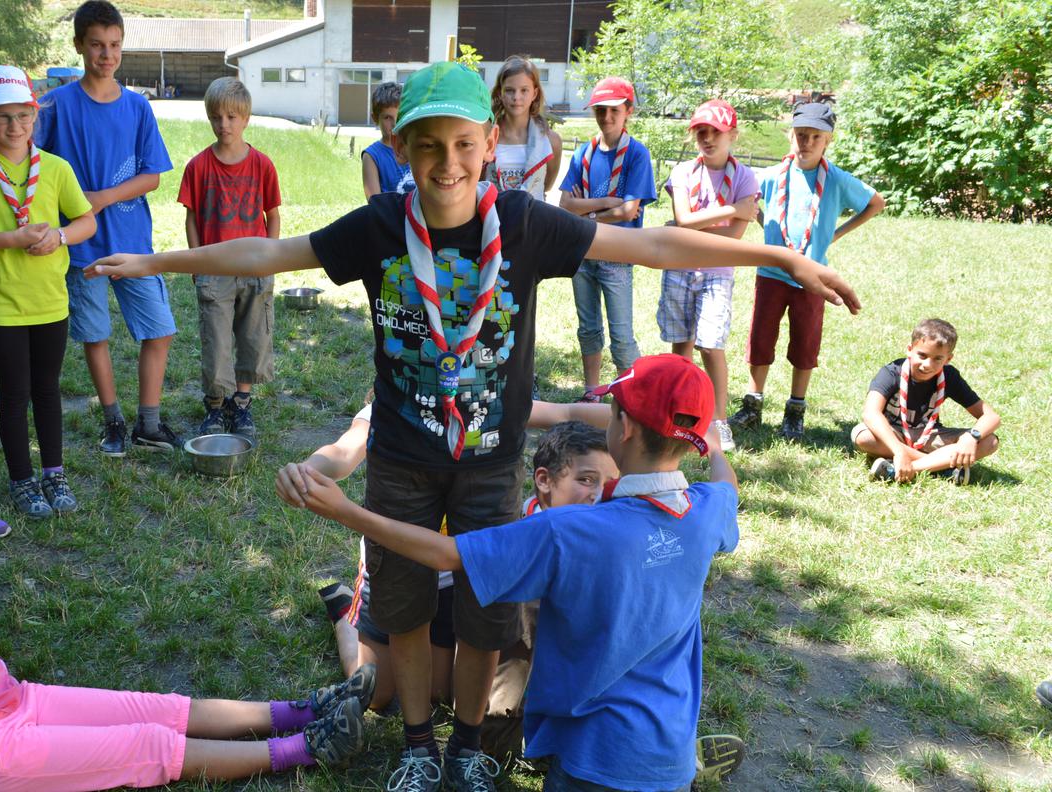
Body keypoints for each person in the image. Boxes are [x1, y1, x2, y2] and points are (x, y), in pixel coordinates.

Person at [85, 61, 857, 792]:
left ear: (491, 143)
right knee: (406, 608)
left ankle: (467, 745)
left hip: (491, 460)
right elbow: (271, 252)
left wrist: (780, 255)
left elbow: (652, 244)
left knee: (489, 609)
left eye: (463, 144)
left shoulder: (524, 223)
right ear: (400, 150)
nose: (447, 163)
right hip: (400, 456)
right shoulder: (382, 226)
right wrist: (154, 264)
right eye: (428, 146)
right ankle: (420, 744)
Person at [288, 354, 743, 791]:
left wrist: (346, 511)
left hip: (590, 761)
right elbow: (726, 485)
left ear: (621, 428)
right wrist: (716, 445)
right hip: (670, 762)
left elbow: (447, 554)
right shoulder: (708, 511)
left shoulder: (569, 529)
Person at [0, 447, 373, 791]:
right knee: (142, 746)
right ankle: (307, 749)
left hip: (9, 698)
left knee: (151, 708)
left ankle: (301, 710)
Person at [292, 401, 619, 720]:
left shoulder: (487, 400)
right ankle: (344, 614)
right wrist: (306, 472)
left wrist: (644, 423)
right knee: (376, 695)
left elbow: (568, 412)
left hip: (457, 575)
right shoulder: (393, 405)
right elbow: (344, 451)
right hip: (397, 564)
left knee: (443, 693)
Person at [0, 66, 97, 520]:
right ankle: (22, 480)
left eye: (23, 116)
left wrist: (62, 237)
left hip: (50, 300)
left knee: (47, 390)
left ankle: (54, 472)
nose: (14, 127)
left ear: (36, 114)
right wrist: (10, 239)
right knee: (14, 392)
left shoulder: (54, 168)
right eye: (3, 117)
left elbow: (86, 221)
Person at [36, 0, 182, 456]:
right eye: (96, 45)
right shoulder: (56, 106)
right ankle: (113, 419)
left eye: (114, 45)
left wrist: (100, 198)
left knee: (159, 331)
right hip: (80, 247)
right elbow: (31, 162)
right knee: (95, 335)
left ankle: (149, 422)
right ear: (79, 45)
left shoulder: (138, 108)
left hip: (133, 243)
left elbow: (153, 175)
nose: (106, 54)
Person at [729, 102, 886, 441]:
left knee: (805, 343)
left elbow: (876, 203)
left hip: (813, 278)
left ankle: (795, 408)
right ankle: (753, 403)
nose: (807, 143)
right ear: (791, 135)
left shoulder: (837, 180)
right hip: (772, 273)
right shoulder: (772, 177)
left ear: (827, 140)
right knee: (761, 338)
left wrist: (837, 233)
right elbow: (750, 201)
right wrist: (765, 226)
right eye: (801, 135)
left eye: (815, 137)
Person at [177, 77, 281, 437]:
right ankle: (216, 406)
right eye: (217, 117)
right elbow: (191, 216)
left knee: (254, 336)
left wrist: (272, 257)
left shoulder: (263, 165)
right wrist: (195, 260)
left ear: (246, 118)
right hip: (213, 271)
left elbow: (273, 214)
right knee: (217, 340)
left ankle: (242, 404)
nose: (225, 124)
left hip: (254, 267)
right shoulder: (198, 166)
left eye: (232, 117)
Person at [658, 99, 760, 452]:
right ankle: (681, 413)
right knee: (681, 343)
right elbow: (684, 220)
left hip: (717, 272)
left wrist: (688, 231)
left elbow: (732, 240)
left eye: (715, 131)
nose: (707, 138)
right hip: (681, 267)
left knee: (711, 344)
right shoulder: (684, 172)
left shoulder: (745, 177)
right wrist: (733, 209)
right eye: (701, 131)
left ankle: (718, 421)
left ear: (732, 134)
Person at [559, 76, 656, 394]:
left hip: (618, 255)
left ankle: (632, 396)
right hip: (583, 254)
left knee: (621, 333)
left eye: (614, 109)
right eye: (600, 109)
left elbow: (629, 211)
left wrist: (585, 214)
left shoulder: (636, 155)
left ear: (628, 110)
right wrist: (604, 205)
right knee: (587, 327)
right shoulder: (582, 154)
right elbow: (564, 205)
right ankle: (591, 390)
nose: (607, 116)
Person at [854, 318, 1000, 484]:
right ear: (910, 350)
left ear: (948, 359)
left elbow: (991, 417)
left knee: (990, 441)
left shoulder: (949, 376)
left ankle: (909, 469)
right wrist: (898, 451)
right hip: (895, 435)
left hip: (929, 436)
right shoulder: (892, 372)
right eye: (922, 355)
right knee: (863, 436)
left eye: (937, 358)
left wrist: (971, 437)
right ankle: (942, 467)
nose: (927, 365)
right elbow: (870, 413)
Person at [482, 55, 562, 201]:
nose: (516, 97)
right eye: (509, 90)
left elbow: (546, 186)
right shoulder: (485, 137)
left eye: (524, 90)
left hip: (533, 220)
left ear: (534, 93)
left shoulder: (551, 141)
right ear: (500, 93)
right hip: (492, 219)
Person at [361, 81, 414, 199]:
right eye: (387, 117)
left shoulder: (416, 147)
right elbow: (374, 203)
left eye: (399, 116)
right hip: (389, 216)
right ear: (375, 118)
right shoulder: (371, 156)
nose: (395, 124)